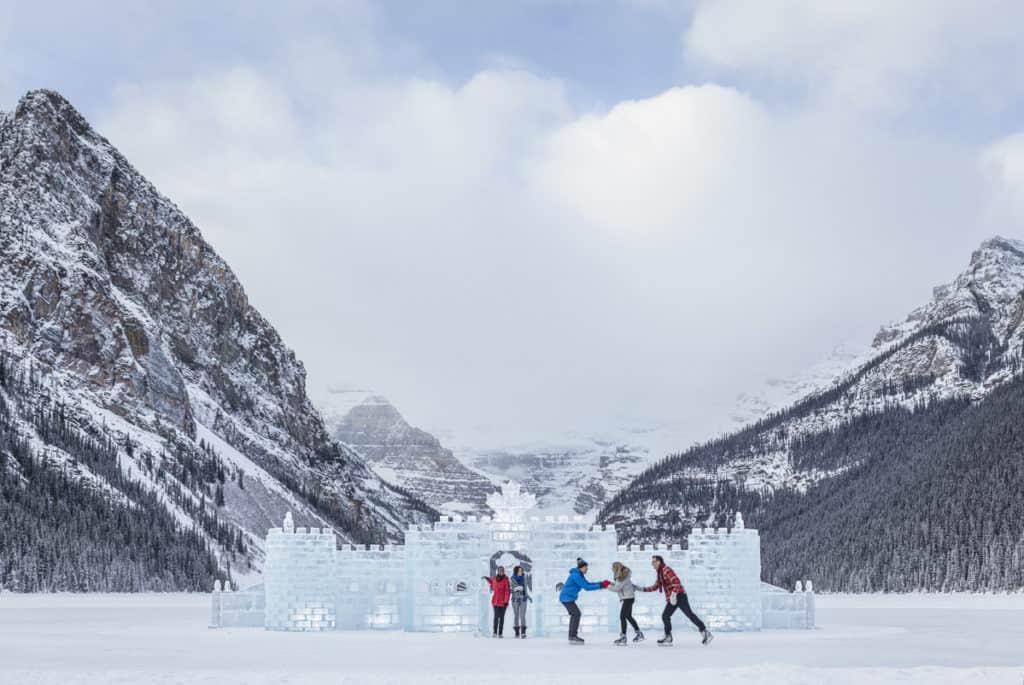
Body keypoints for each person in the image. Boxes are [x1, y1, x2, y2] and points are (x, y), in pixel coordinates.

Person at [641, 555, 713, 646]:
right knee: (665, 615)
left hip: (679, 595)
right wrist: (642, 589)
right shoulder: (660, 574)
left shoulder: (666, 570)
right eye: (652, 562)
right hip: (672, 597)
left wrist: (674, 594)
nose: (652, 564)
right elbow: (655, 586)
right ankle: (668, 636)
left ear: (658, 562)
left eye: (653, 562)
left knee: (689, 614)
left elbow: (677, 582)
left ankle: (705, 632)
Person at [558, 557, 610, 645]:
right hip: (566, 598)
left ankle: (572, 636)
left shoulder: (579, 575)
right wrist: (601, 585)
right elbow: (587, 587)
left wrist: (601, 584)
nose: (587, 569)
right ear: (581, 568)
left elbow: (588, 584)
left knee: (575, 614)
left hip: (568, 598)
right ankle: (572, 636)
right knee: (576, 614)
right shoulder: (576, 575)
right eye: (586, 568)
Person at [609, 561, 643, 645]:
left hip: (628, 598)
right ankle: (639, 634)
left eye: (613, 569)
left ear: (616, 568)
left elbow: (617, 588)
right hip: (628, 598)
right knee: (628, 616)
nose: (612, 570)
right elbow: (619, 586)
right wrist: (610, 583)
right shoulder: (623, 576)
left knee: (622, 617)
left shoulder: (622, 577)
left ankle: (623, 637)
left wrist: (606, 585)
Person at [482, 566, 511, 638]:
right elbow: (492, 584)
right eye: (500, 570)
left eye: (502, 571)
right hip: (495, 601)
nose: (501, 572)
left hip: (503, 602)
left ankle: (500, 633)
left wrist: (506, 601)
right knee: (496, 617)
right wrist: (487, 579)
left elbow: (507, 591)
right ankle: (494, 632)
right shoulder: (495, 578)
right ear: (498, 571)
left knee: (501, 618)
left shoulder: (506, 579)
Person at [509, 565, 532, 638]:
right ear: (516, 571)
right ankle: (516, 632)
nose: (521, 572)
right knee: (516, 615)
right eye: (519, 571)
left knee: (522, 615)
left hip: (523, 599)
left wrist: (528, 597)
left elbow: (525, 589)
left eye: (521, 571)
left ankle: (523, 632)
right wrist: (515, 589)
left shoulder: (524, 578)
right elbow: (510, 589)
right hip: (515, 599)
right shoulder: (512, 578)